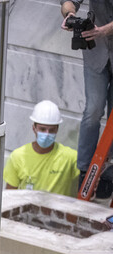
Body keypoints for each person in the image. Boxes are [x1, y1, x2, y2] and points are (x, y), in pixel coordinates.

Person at [61, 0, 113, 198]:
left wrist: (104, 31)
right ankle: (84, 171)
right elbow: (68, 2)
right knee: (92, 110)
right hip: (96, 53)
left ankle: (110, 172)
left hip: (101, 39)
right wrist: (70, 15)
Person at [3, 100, 79, 196]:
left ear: (57, 130)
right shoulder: (18, 157)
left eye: (51, 130)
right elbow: (10, 195)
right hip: (28, 211)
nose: (47, 134)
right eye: (42, 129)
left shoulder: (71, 158)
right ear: (34, 128)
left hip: (57, 210)